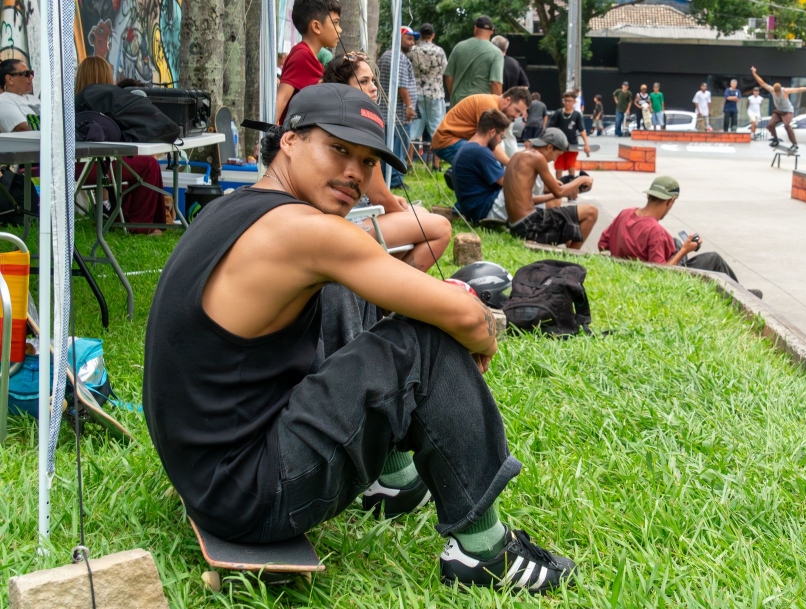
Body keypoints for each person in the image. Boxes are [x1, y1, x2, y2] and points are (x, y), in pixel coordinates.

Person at [143, 83, 575, 593]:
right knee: (425, 344)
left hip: (209, 472)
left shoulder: (242, 207)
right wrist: (478, 337)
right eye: (339, 149)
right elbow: (467, 318)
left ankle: (391, 482)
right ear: (290, 141)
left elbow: (379, 246)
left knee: (346, 291)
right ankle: (484, 553)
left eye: (368, 162)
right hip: (250, 496)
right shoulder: (308, 232)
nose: (355, 173)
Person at [322, 53, 451, 270]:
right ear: (342, 87)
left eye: (373, 80)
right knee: (441, 227)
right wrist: (400, 209)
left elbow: (378, 193)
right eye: (363, 81)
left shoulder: (328, 119)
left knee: (421, 214)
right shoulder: (361, 128)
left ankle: (377, 290)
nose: (373, 87)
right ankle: (391, 294)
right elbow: (380, 196)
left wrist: (395, 201)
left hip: (340, 216)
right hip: (349, 222)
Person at [598, 176, 762, 297]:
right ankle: (742, 296)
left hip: (628, 271)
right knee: (713, 259)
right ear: (671, 201)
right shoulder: (655, 231)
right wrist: (684, 251)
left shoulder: (625, 214)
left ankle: (740, 291)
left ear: (648, 196)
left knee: (674, 241)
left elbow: (602, 244)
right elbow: (659, 274)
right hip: (648, 282)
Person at [74, 56, 169, 235]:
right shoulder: (109, 105)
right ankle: (139, 225)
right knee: (148, 164)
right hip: (90, 168)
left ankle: (129, 219)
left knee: (138, 164)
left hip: (76, 167)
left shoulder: (71, 104)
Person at [503, 129, 597, 248]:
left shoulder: (518, 156)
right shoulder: (537, 157)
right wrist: (581, 180)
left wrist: (562, 193)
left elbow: (529, 199)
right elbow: (559, 192)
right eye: (557, 155)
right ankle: (572, 255)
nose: (555, 160)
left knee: (571, 219)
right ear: (549, 147)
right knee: (591, 212)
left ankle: (569, 250)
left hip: (515, 225)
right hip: (530, 224)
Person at [275, 0, 342, 124]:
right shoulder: (302, 55)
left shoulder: (309, 57)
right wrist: (268, 135)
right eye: (336, 23)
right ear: (316, 26)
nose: (340, 30)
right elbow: (282, 98)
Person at [431, 88, 529, 165]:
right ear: (507, 100)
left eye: (520, 113)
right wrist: (511, 165)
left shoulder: (493, 103)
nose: (517, 116)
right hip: (447, 141)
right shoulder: (490, 106)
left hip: (457, 140)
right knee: (486, 163)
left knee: (489, 164)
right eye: (516, 110)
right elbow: (492, 144)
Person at [450, 109, 512, 223]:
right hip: (485, 210)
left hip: (477, 209)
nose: (499, 141)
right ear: (492, 132)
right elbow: (507, 182)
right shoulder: (480, 151)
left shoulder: (470, 147)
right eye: (501, 136)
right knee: (521, 184)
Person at [378, 26, 419, 188]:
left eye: (413, 39)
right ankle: (395, 180)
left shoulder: (386, 55)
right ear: (398, 38)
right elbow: (401, 86)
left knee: (390, 146)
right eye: (409, 38)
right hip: (399, 114)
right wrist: (409, 106)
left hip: (388, 112)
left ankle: (389, 177)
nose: (412, 42)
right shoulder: (399, 58)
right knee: (397, 148)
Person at [750, 67, 806, 152]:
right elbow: (762, 83)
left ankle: (794, 144)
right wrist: (754, 73)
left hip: (788, 112)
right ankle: (775, 139)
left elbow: (798, 89)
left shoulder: (785, 91)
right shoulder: (772, 90)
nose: (777, 94)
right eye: (776, 93)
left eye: (778, 93)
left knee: (787, 126)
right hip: (778, 112)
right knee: (770, 125)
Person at [410, 23, 448, 167]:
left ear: (420, 34)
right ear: (433, 35)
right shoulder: (439, 51)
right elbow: (444, 68)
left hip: (416, 92)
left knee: (413, 129)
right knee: (436, 129)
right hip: (435, 93)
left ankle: (408, 162)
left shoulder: (413, 50)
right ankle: (436, 164)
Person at [445, 16, 504, 106]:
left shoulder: (459, 47)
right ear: (492, 31)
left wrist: (453, 95)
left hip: (459, 102)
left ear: (475, 28)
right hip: (481, 105)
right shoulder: (496, 53)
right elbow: (495, 83)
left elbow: (449, 76)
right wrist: (497, 107)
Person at [547, 91, 591, 182]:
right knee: (558, 169)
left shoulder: (577, 115)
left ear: (574, 102)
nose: (567, 103)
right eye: (565, 100)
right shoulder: (558, 113)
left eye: (570, 101)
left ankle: (571, 189)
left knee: (571, 167)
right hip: (559, 145)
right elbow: (550, 128)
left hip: (572, 145)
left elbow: (582, 130)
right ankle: (559, 187)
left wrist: (586, 144)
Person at [0, 59, 39, 132]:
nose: (31, 77)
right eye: (26, 74)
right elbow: (22, 128)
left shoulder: (33, 99)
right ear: (9, 79)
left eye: (31, 73)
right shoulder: (3, 100)